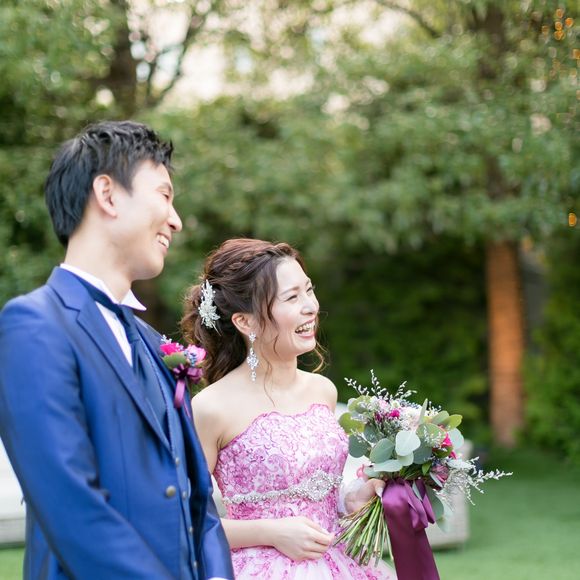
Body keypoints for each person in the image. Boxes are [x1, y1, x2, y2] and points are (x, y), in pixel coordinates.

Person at [0, 121, 233, 580]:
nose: (176, 220)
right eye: (164, 195)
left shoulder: (155, 345)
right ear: (107, 194)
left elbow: (199, 506)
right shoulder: (34, 325)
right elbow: (72, 508)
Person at [181, 238, 396, 579]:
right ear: (246, 322)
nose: (310, 306)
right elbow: (184, 520)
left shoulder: (322, 390)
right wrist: (271, 532)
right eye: (292, 297)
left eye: (309, 290)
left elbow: (319, 492)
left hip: (340, 564)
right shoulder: (211, 407)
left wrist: (353, 498)